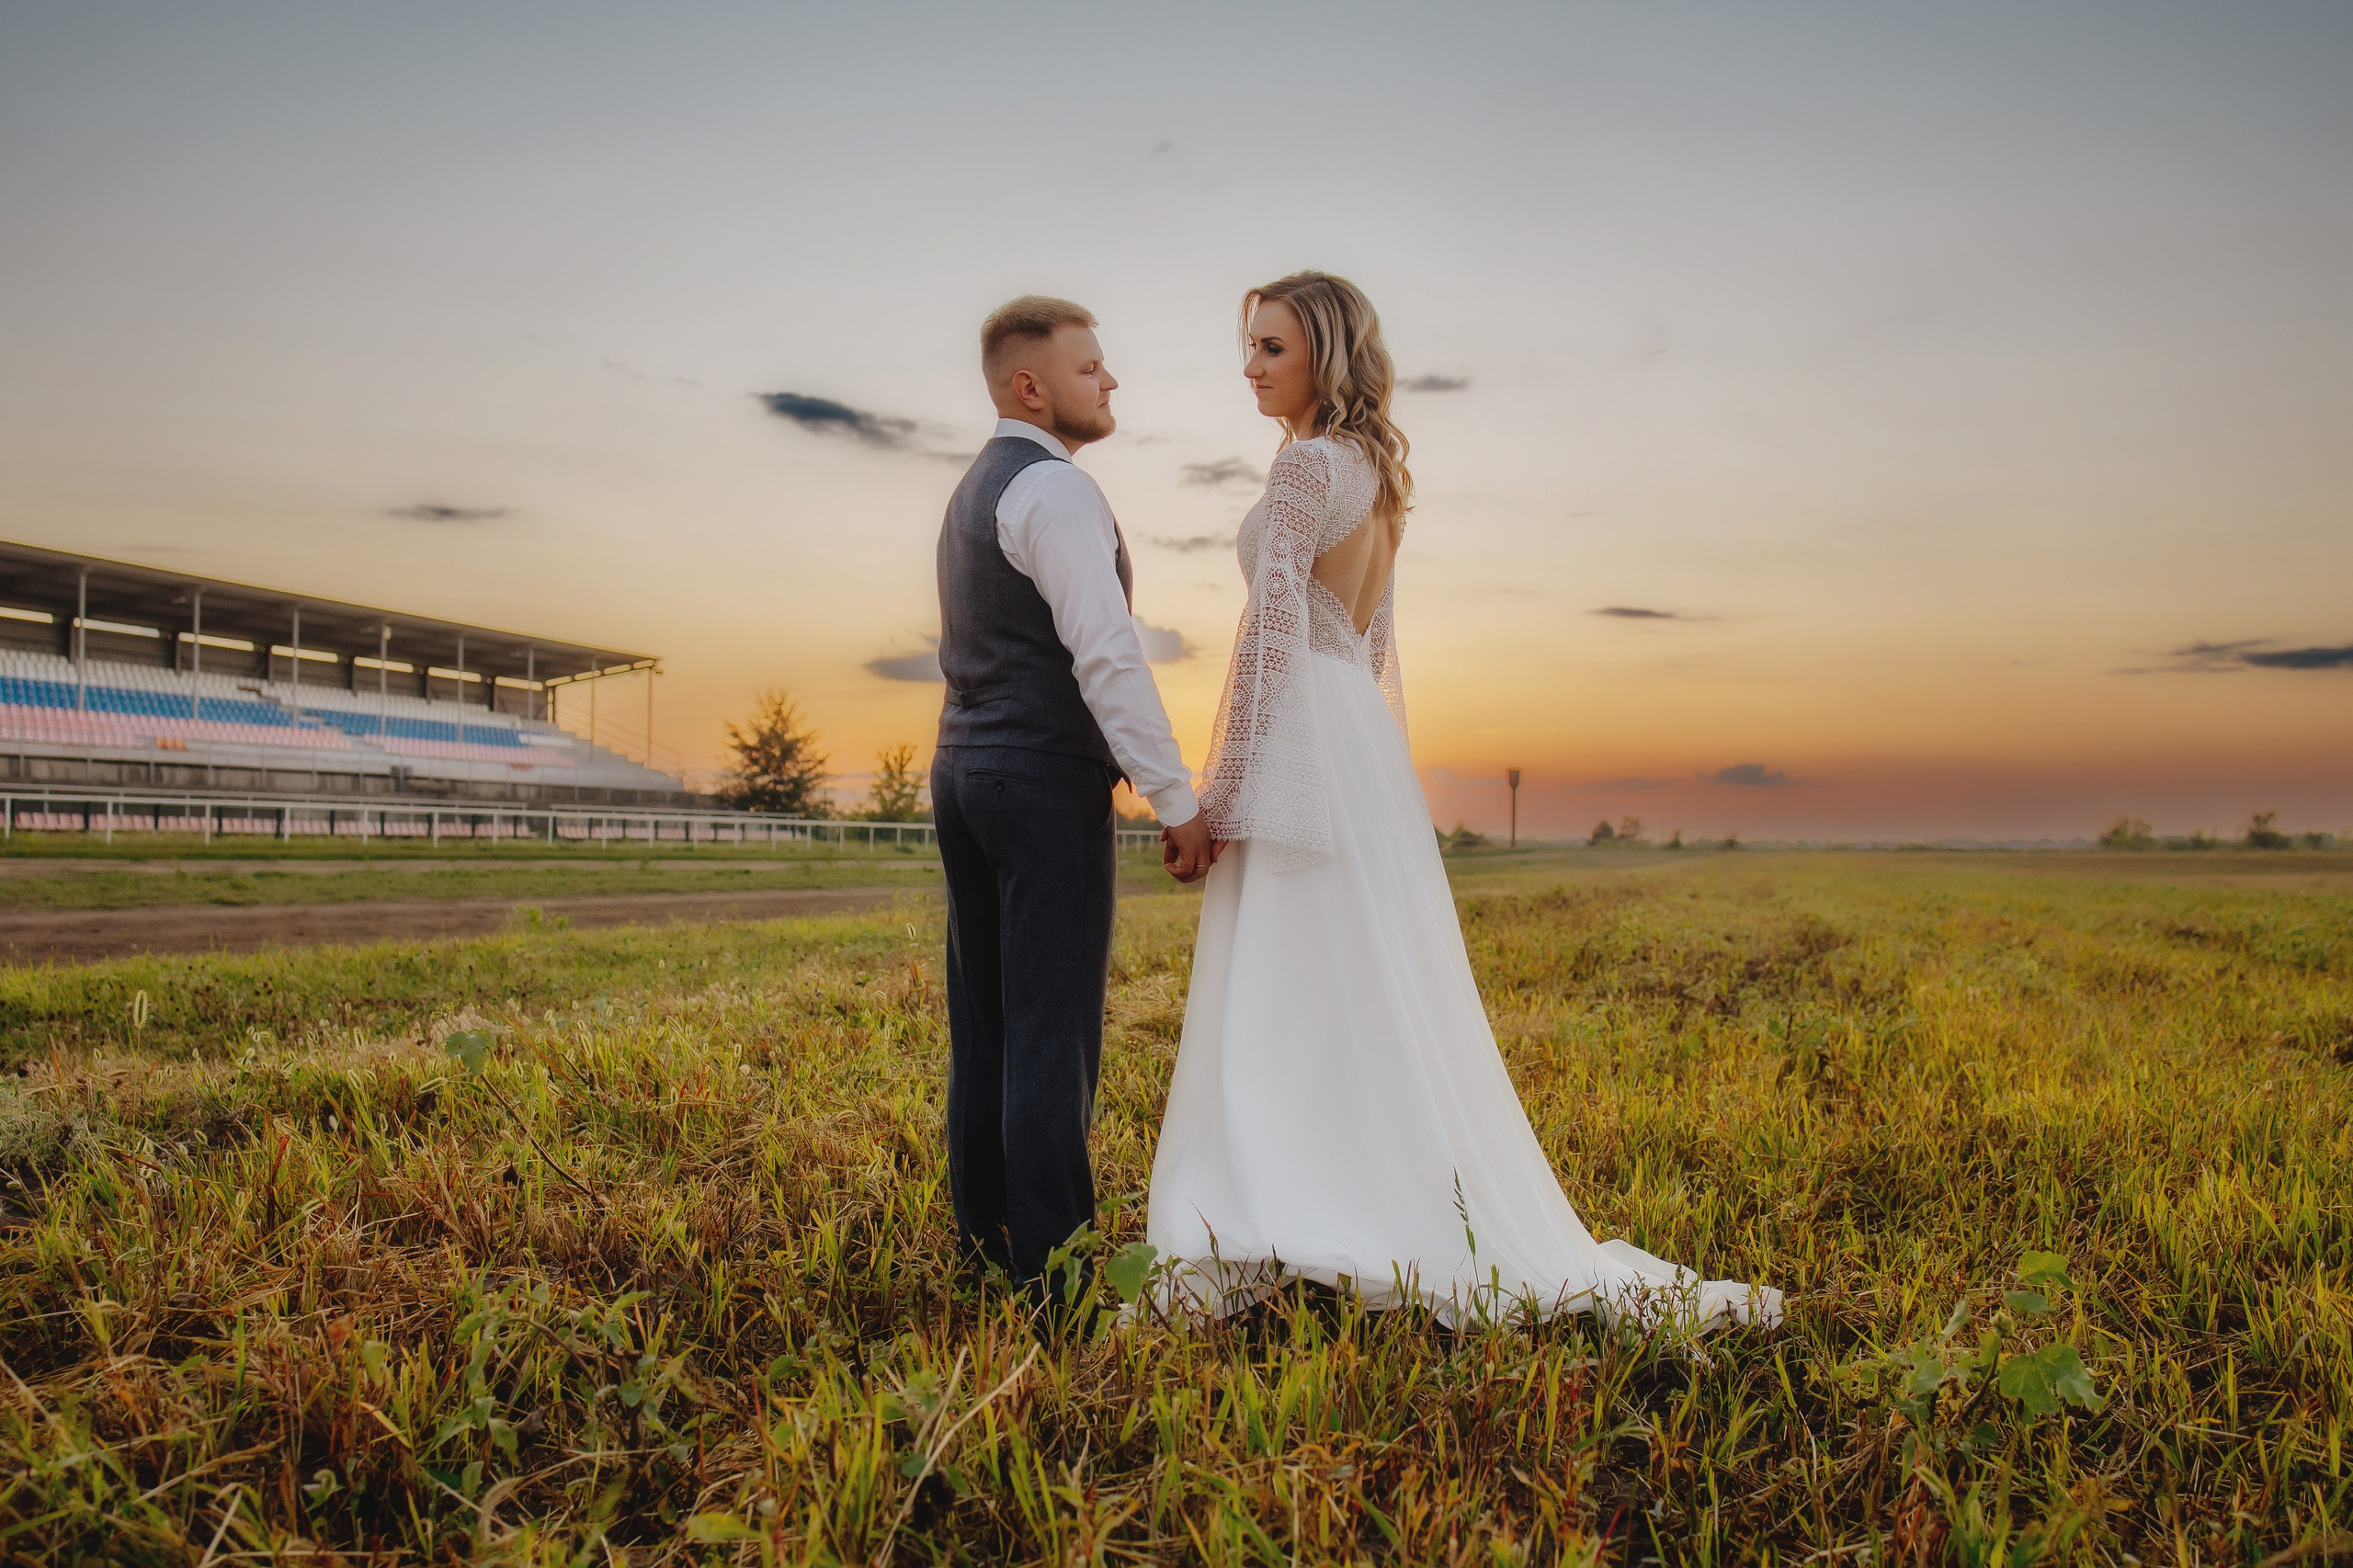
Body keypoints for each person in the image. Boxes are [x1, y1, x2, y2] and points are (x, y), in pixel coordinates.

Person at [1144, 272, 1781, 1330]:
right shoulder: (1373, 476)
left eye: (1270, 349)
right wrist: (1368, 771)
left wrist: (1220, 785)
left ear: (1325, 357)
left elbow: (1265, 635)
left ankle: (1285, 1201)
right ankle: (1343, 1183)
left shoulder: (1306, 465)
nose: (1248, 367)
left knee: (1289, 963)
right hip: (1351, 732)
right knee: (1350, 966)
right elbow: (1377, 644)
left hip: (1304, 721)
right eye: (1247, 346)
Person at [931, 296, 1215, 1309]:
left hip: (961, 769)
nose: (1110, 381)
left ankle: (987, 1242)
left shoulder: (977, 486)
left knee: (989, 1021)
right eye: (1089, 367)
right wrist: (1174, 795)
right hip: (1040, 781)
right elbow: (1106, 653)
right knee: (1053, 1029)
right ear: (1029, 385)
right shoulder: (1052, 489)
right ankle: (1053, 1276)